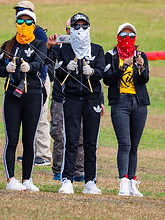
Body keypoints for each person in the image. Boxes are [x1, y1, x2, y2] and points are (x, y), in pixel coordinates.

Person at [55, 13, 105, 194]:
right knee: (71, 140)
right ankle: (67, 179)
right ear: (71, 29)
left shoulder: (97, 49)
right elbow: (58, 76)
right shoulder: (64, 50)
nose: (80, 30)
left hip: (92, 98)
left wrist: (92, 71)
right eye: (77, 26)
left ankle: (90, 180)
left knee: (91, 142)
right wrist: (65, 68)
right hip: (72, 98)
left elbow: (102, 73)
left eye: (84, 26)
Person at [0, 10, 47, 191]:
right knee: (12, 139)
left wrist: (30, 67)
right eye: (20, 21)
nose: (24, 25)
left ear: (33, 24)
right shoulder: (8, 45)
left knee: (29, 139)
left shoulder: (40, 44)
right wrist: (7, 68)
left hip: (33, 95)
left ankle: (27, 179)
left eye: (28, 22)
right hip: (12, 96)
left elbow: (40, 62)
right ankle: (11, 179)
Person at [103, 23, 149, 197]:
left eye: (131, 35)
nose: (127, 39)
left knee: (134, 146)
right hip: (120, 102)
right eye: (124, 35)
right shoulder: (111, 56)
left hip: (139, 103)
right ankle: (122, 181)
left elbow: (145, 80)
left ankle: (132, 183)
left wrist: (141, 66)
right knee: (124, 144)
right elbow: (107, 79)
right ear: (118, 37)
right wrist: (122, 67)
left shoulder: (141, 55)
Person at [14, 0, 52, 166]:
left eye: (22, 10)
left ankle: (43, 154)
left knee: (41, 116)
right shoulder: (18, 33)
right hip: (24, 79)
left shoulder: (39, 33)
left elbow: (43, 60)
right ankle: (31, 153)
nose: (19, 13)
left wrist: (42, 80)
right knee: (28, 117)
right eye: (18, 11)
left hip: (39, 79)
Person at [47, 19, 85, 182]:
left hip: (79, 98)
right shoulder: (58, 47)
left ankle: (79, 170)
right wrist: (50, 46)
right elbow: (47, 68)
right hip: (60, 97)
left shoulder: (87, 47)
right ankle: (58, 169)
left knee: (81, 135)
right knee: (59, 133)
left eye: (81, 27)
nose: (76, 30)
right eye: (72, 27)